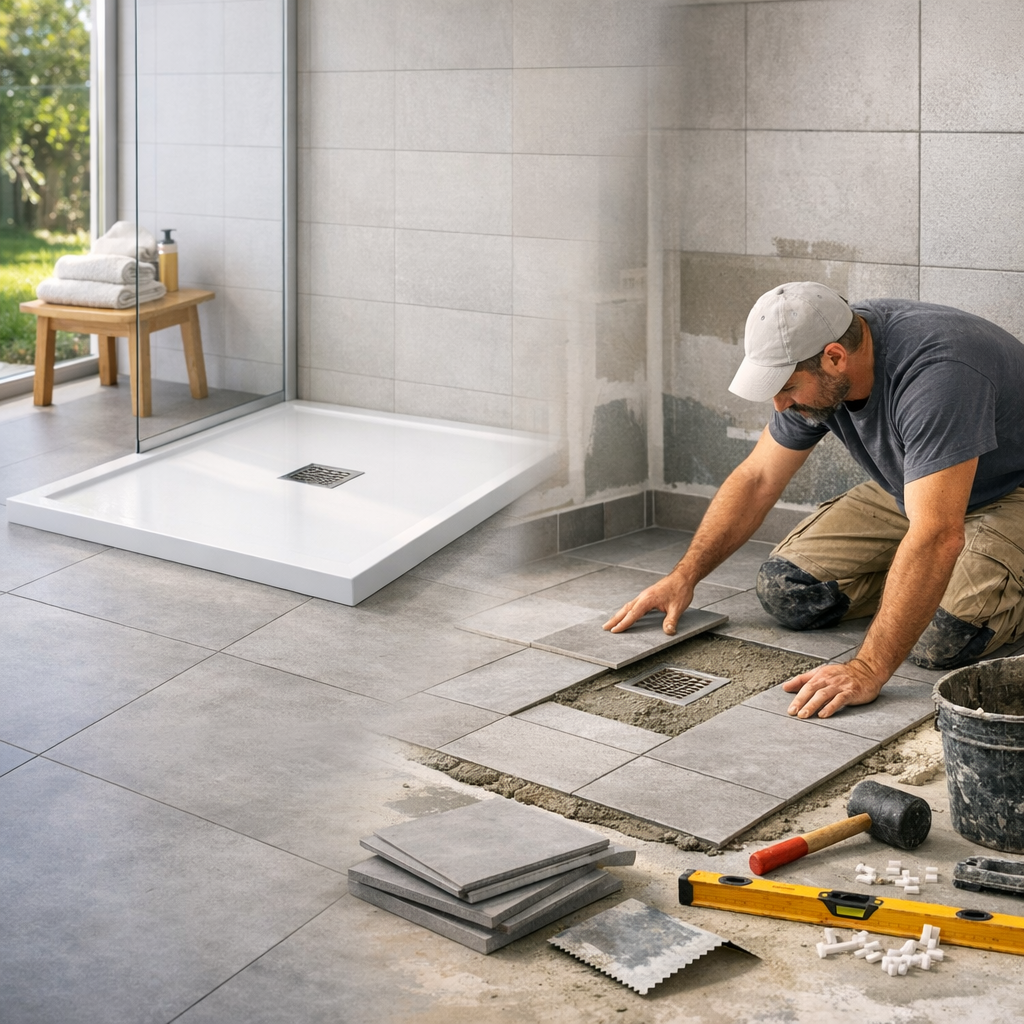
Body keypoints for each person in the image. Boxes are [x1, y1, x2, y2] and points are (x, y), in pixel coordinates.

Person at [604, 282, 1024, 719]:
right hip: (916, 487)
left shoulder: (940, 376)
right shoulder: (823, 351)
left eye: (786, 387)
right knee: (787, 589)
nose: (780, 404)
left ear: (835, 358)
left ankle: (978, 582)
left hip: (1012, 491)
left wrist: (868, 666)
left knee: (942, 637)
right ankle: (928, 581)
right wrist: (684, 576)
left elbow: (937, 534)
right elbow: (758, 476)